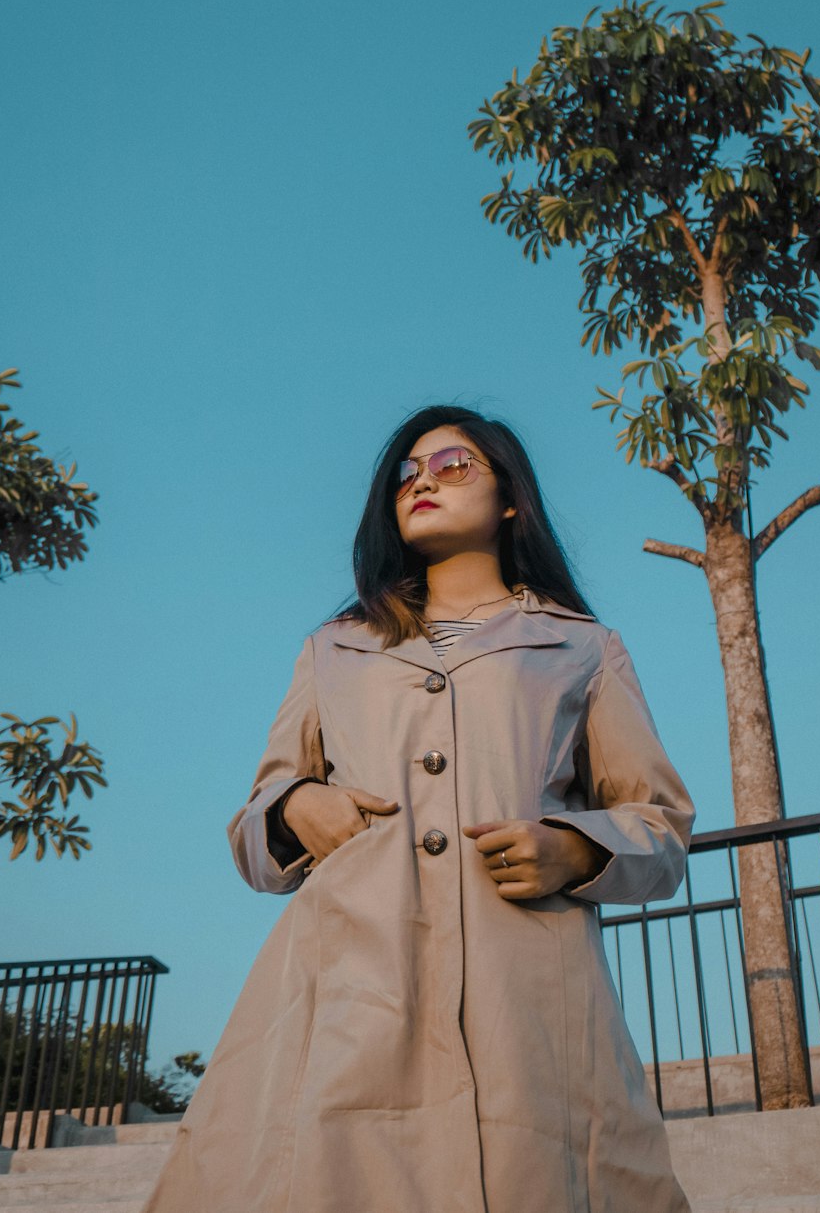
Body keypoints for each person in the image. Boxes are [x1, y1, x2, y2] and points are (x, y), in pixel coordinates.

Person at [142, 405, 695, 1213]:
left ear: (511, 498)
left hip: (527, 999)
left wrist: (577, 850)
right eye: (406, 472)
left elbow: (661, 825)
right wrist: (298, 810)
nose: (423, 481)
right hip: (348, 987)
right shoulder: (333, 648)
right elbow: (253, 834)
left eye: (452, 465)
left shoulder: (582, 647)